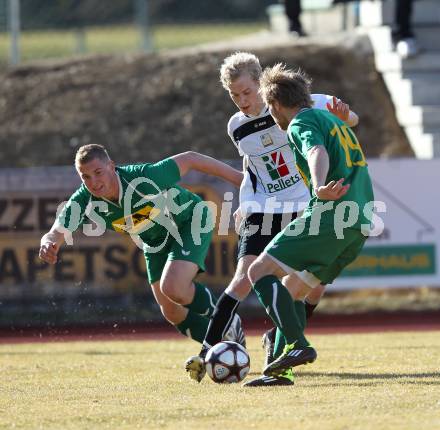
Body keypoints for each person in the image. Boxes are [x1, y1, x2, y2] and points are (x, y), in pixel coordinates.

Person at [185, 52, 360, 387]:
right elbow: (252, 166)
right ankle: (207, 350)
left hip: (302, 204)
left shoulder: (300, 103)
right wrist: (244, 202)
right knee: (243, 278)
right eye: (234, 95)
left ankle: (279, 340)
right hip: (262, 208)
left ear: (260, 82)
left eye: (247, 92)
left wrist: (346, 117)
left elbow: (350, 120)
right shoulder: (236, 125)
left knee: (311, 287)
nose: (242, 101)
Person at [39, 144, 245, 346]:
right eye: (85, 176)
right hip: (154, 242)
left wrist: (241, 180)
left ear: (111, 166)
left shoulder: (142, 178)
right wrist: (49, 242)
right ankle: (221, 348)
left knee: (174, 287)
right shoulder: (85, 200)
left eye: (98, 172)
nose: (93, 182)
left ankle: (226, 318)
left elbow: (191, 158)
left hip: (189, 221)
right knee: (172, 311)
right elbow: (57, 229)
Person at [246, 63, 373, 380]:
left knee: (258, 270)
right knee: (290, 291)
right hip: (360, 221)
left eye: (268, 107)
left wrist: (318, 186)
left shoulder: (300, 123)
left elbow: (315, 151)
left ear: (275, 104)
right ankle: (279, 371)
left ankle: (297, 343)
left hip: (332, 213)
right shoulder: (332, 120)